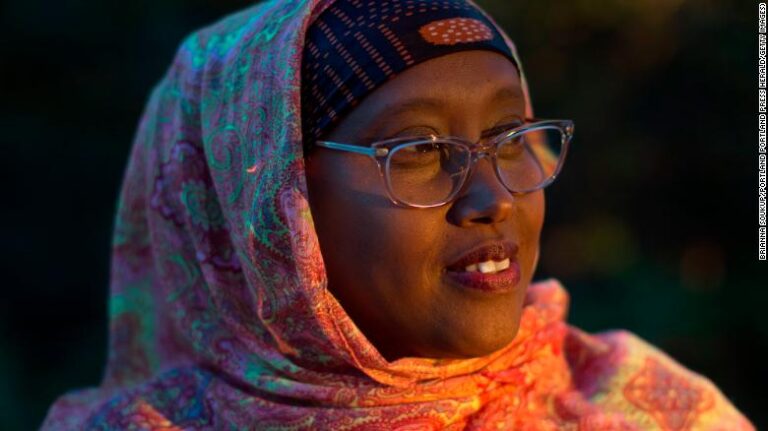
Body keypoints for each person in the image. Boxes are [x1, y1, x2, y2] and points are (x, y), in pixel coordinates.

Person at [42, 0, 754, 429]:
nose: (492, 197)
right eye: (417, 149)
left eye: (512, 137)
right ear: (265, 214)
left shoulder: (641, 407)